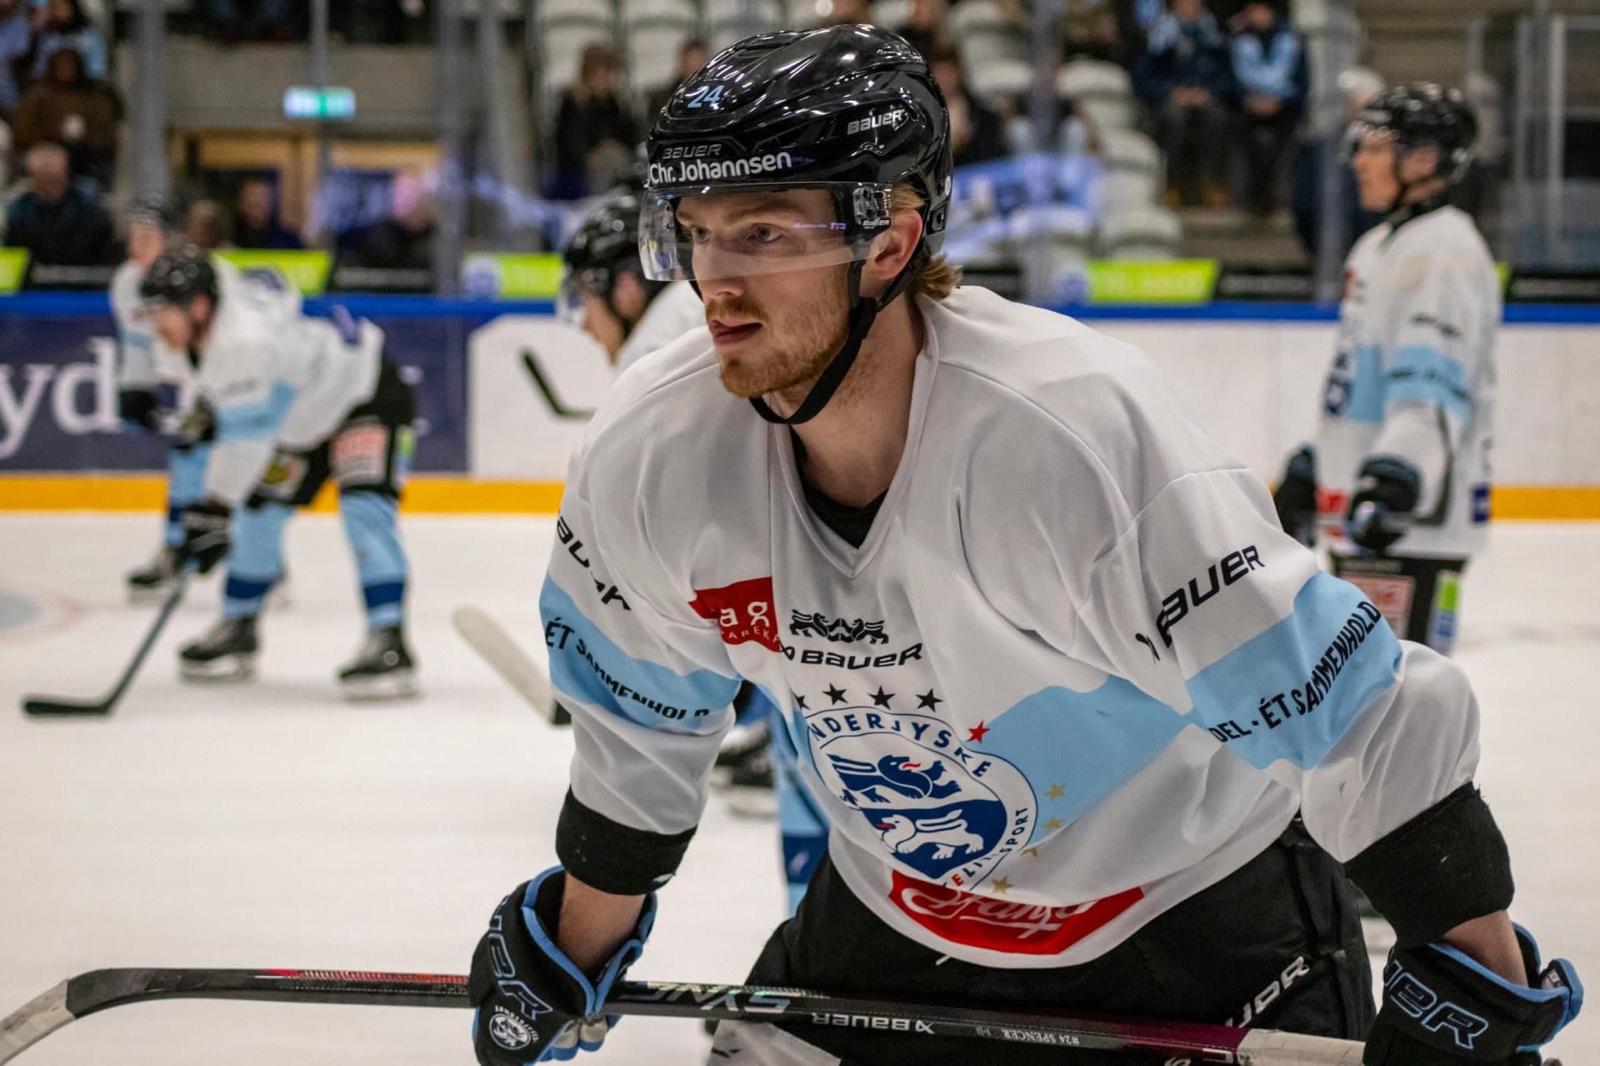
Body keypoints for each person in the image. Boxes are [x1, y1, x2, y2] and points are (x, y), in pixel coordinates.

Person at [467, 27, 1580, 1066]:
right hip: (897, 907)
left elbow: (1349, 707)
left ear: (890, 241)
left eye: (762, 232)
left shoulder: (1065, 438)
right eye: (698, 231)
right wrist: (575, 940)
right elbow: (641, 721)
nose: (714, 278)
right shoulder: (652, 451)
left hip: (1193, 914)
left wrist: (1472, 973)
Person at [1275, 84, 1498, 658]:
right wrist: (1320, 466)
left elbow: (1433, 390)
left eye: (1375, 148)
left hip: (1412, 522)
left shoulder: (1443, 251)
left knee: (1397, 695)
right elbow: (1363, 387)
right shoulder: (1375, 247)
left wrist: (1395, 480)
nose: (1359, 162)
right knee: (1357, 696)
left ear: (1423, 159)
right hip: (1366, 514)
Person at [140, 246, 420, 698]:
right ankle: (239, 626)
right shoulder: (197, 332)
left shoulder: (244, 341)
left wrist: (214, 507)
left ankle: (389, 640)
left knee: (364, 508)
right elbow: (223, 410)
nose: (157, 325)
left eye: (163, 312)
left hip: (365, 394)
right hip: (302, 416)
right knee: (258, 512)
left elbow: (246, 443)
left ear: (199, 306)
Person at [114, 195, 216, 601]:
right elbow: (139, 346)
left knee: (225, 470)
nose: (136, 247)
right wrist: (134, 388)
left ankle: (263, 565)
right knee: (189, 462)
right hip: (191, 380)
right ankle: (176, 549)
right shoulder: (127, 283)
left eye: (146, 237)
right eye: (132, 237)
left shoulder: (201, 277)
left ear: (169, 238)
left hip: (223, 380)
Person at [559, 190, 703, 371]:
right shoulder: (691, 304)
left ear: (626, 287)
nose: (585, 325)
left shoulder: (647, 355)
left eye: (587, 303)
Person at [1135, 0, 1233, 208]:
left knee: (1218, 118)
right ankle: (1172, 184)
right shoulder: (1158, 35)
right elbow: (1144, 79)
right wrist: (1171, 92)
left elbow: (1227, 76)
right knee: (1175, 119)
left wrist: (1208, 92)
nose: (1190, 5)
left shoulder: (1213, 34)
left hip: (1205, 96)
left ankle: (1213, 183)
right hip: (1170, 98)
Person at [1229, 0, 1305, 216]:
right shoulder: (1237, 40)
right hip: (1246, 109)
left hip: (1285, 109)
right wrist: (1248, 100)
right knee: (1245, 136)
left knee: (1283, 140)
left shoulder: (1292, 41)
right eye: (1253, 10)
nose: (1257, 15)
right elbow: (1230, 81)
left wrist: (1280, 102)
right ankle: (1251, 195)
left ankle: (1274, 195)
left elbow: (1302, 83)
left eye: (1261, 9)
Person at [12, 45, 119, 189]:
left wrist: (83, 135)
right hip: (45, 150)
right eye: (61, 66)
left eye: (70, 66)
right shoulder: (37, 94)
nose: (66, 71)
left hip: (87, 153)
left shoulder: (93, 95)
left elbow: (107, 132)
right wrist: (54, 134)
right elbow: (22, 132)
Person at [3, 141, 117, 266]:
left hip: (83, 276)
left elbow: (102, 256)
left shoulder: (89, 211)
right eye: (43, 180)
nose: (49, 186)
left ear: (65, 174)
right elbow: (12, 256)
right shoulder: (19, 212)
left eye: (53, 180)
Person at [550, 44, 638, 201]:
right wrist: (596, 153)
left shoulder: (617, 104)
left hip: (616, 161)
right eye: (600, 75)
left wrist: (614, 146)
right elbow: (570, 145)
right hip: (582, 170)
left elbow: (632, 138)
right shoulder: (573, 105)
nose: (605, 81)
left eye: (609, 75)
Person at [30, 0, 107, 82]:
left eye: (55, 8)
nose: (52, 13)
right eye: (49, 8)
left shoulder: (91, 39)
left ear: (71, 8)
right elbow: (39, 73)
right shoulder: (48, 39)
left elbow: (96, 75)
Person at [231, 177, 304, 250]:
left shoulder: (289, 241)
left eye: (263, 196)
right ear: (241, 203)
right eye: (252, 195)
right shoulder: (230, 240)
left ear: (272, 202)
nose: (257, 201)